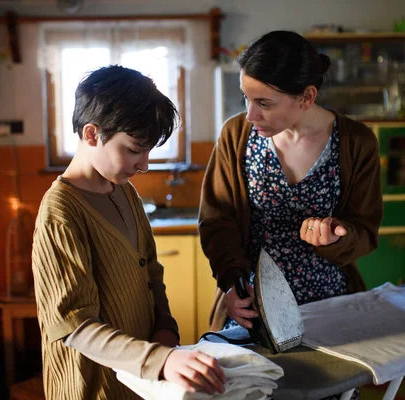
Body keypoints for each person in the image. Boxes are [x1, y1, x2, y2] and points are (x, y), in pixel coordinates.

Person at [32, 65, 226, 400]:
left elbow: (150, 270)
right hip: (93, 388)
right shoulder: (60, 214)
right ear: (92, 134)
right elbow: (74, 325)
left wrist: (164, 328)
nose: (144, 164)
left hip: (138, 381)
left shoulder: (123, 191)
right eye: (134, 149)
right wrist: (160, 359)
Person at [199, 30, 383, 334]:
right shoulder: (236, 136)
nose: (250, 115)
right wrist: (232, 282)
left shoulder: (356, 143)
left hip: (329, 307)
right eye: (246, 98)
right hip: (253, 309)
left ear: (307, 97)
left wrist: (338, 237)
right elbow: (218, 221)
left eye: (264, 103)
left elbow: (365, 230)